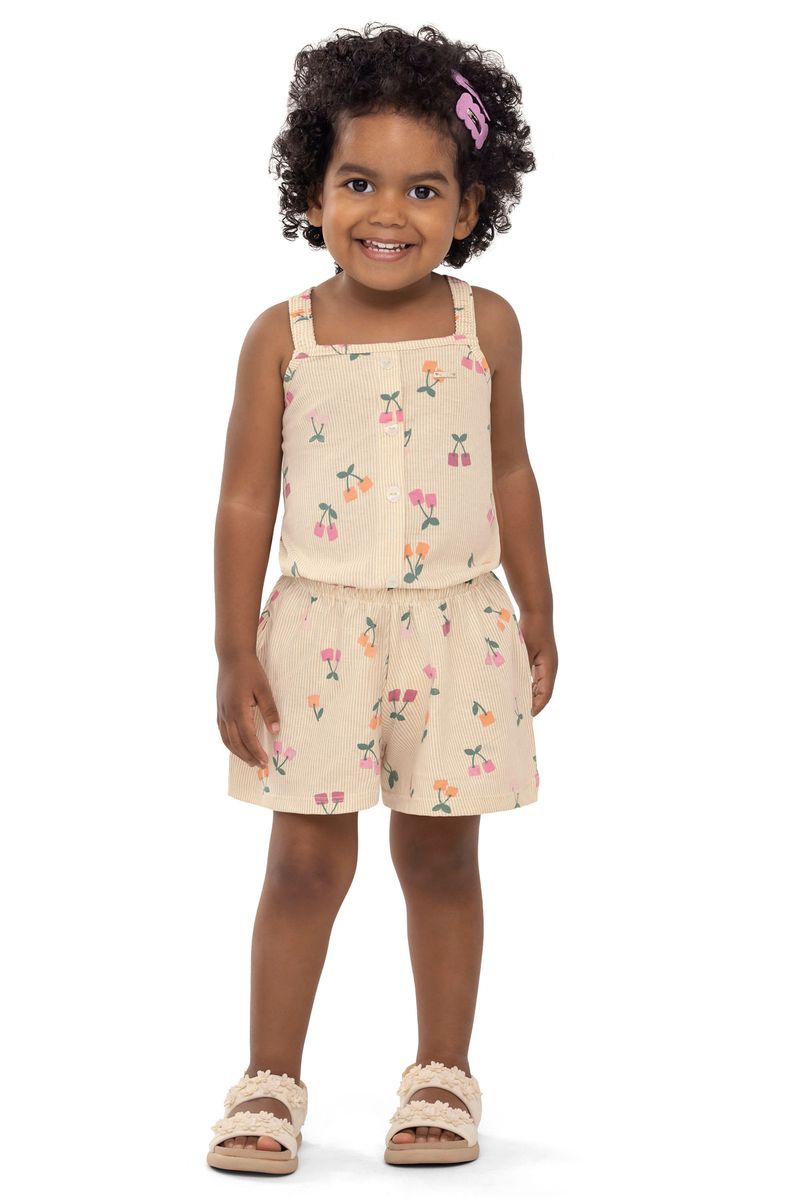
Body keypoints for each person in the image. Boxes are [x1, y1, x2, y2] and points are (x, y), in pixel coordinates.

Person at [207, 21, 557, 1174]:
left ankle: (442, 1072)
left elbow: (510, 471)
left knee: (440, 861)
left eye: (422, 188)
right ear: (311, 190)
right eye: (357, 182)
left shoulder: (483, 325)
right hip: (317, 633)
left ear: (468, 206)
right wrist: (232, 648)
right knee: (303, 864)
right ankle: (268, 1082)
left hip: (457, 629)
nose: (386, 213)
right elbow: (244, 502)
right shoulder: (282, 336)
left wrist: (540, 610)